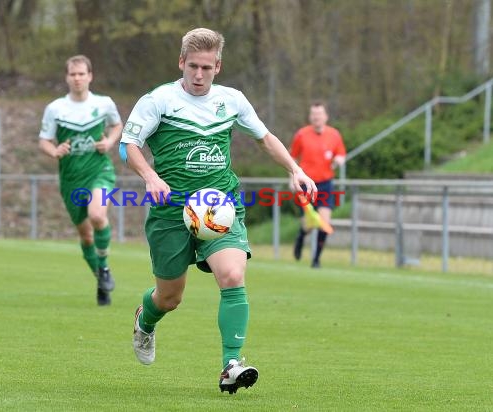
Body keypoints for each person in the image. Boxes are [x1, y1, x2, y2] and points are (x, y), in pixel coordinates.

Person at [119, 28, 317, 394]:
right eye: (192, 66)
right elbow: (127, 144)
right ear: (181, 62)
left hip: (219, 206)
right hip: (170, 210)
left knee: (231, 275)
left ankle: (231, 363)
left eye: (206, 68)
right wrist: (149, 176)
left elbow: (264, 138)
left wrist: (295, 169)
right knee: (170, 297)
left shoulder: (232, 101)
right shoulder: (158, 100)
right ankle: (145, 320)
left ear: (218, 67)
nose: (198, 75)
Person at [39, 55, 123, 306]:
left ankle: (104, 269)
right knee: (86, 236)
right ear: (67, 77)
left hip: (100, 171)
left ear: (90, 76)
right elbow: (43, 140)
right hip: (71, 179)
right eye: (72, 74)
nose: (77, 78)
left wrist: (108, 141)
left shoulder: (104, 103)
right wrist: (53, 151)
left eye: (81, 74)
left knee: (98, 216)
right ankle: (100, 278)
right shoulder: (56, 108)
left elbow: (117, 126)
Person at [290, 101, 346, 268]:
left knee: (324, 222)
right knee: (308, 224)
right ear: (310, 117)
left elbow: (341, 154)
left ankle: (316, 260)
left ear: (326, 116)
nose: (317, 117)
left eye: (319, 114)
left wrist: (338, 160)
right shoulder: (302, 134)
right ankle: (301, 237)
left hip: (325, 184)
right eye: (314, 114)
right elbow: (292, 157)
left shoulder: (334, 135)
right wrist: (291, 177)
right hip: (306, 184)